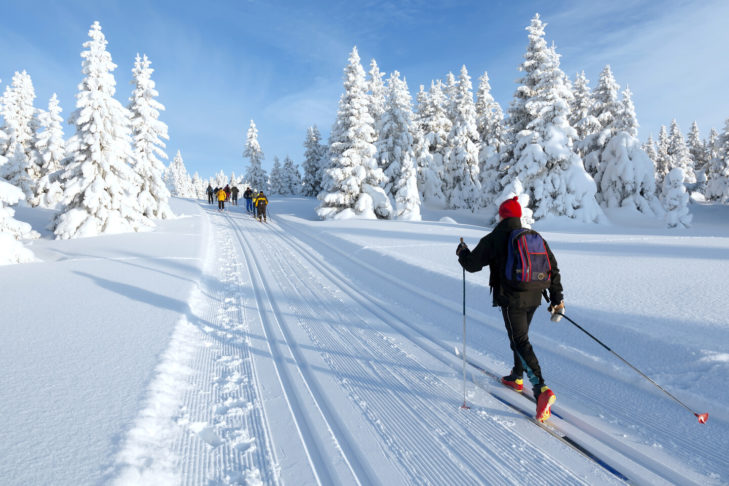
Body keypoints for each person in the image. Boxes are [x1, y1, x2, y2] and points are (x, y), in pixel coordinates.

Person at [456, 196, 564, 422]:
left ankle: (541, 390)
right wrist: (557, 299)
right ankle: (517, 376)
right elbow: (552, 269)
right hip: (535, 297)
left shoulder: (495, 238)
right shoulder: (535, 237)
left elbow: (472, 265)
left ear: (502, 215)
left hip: (511, 298)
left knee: (519, 341)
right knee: (520, 337)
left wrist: (462, 252)